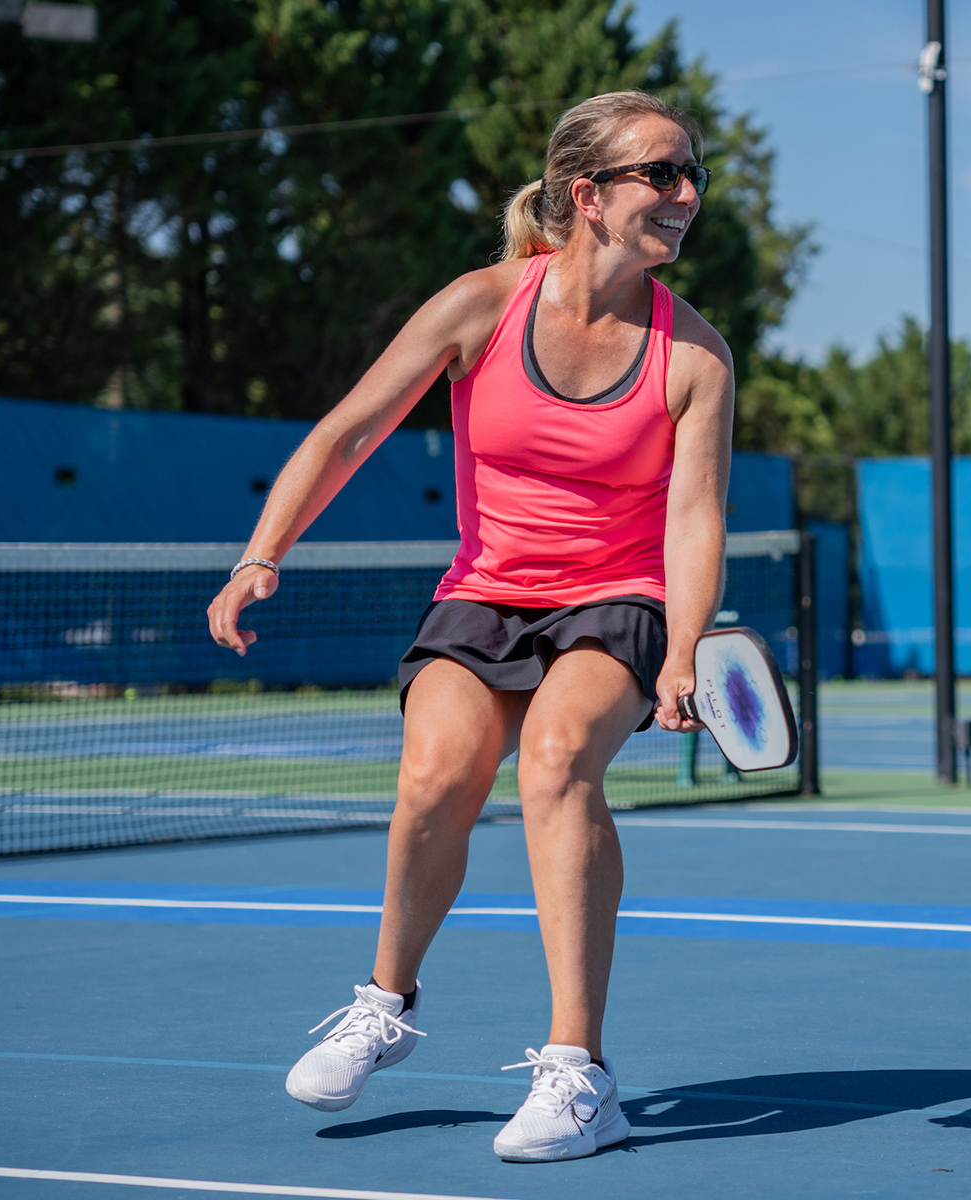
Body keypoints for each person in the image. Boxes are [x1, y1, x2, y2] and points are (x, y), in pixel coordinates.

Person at [204, 91, 732, 1164]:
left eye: (694, 175)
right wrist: (262, 553)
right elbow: (348, 431)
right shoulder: (481, 305)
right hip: (487, 592)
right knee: (434, 777)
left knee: (556, 761)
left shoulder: (696, 356)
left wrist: (682, 649)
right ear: (587, 194)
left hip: (617, 594)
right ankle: (384, 1005)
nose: (686, 194)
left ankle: (580, 1075)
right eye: (662, 173)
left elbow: (694, 516)